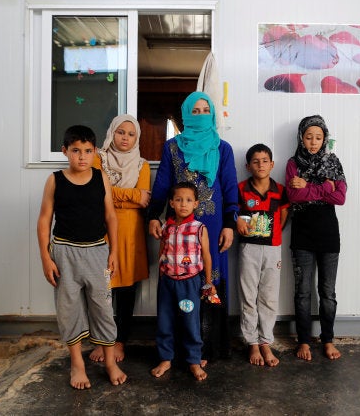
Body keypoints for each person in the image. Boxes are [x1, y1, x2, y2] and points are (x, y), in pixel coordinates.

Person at [148, 91, 239, 365]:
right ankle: (175, 350)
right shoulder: (172, 147)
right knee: (179, 281)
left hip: (211, 227)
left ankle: (207, 349)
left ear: (211, 113)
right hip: (178, 227)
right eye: (195, 111)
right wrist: (154, 215)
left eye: (204, 110)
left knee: (208, 281)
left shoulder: (222, 148)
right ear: (186, 115)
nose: (200, 115)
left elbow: (229, 186)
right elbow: (163, 183)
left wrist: (229, 225)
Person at [37, 125, 127, 389]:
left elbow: (111, 216)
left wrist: (115, 252)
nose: (82, 156)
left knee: (103, 308)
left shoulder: (101, 178)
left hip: (98, 251)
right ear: (65, 151)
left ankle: (110, 362)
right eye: (75, 150)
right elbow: (44, 220)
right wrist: (45, 257)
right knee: (69, 309)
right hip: (64, 253)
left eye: (88, 151)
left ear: (95, 152)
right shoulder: (55, 180)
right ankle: (77, 364)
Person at [89, 114, 150, 363]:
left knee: (126, 291)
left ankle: (119, 342)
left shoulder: (141, 165)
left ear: (137, 138)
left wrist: (113, 195)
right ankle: (101, 341)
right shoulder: (97, 158)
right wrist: (131, 196)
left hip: (131, 234)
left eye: (131, 134)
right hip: (101, 230)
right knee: (100, 289)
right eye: (120, 132)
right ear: (112, 133)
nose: (125, 138)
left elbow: (144, 199)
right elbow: (95, 193)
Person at [285, 115, 347, 361]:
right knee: (303, 292)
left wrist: (309, 187)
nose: (313, 142)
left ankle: (328, 339)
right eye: (309, 137)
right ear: (301, 137)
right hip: (302, 234)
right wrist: (325, 188)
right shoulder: (293, 163)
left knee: (328, 292)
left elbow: (340, 198)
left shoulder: (333, 161)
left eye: (318, 137)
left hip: (329, 235)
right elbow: (293, 196)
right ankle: (303, 341)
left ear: (325, 139)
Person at [151, 182, 213, 381]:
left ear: (195, 204)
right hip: (168, 282)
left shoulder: (199, 228)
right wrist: (161, 274)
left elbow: (206, 256)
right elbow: (162, 250)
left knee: (190, 322)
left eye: (188, 200)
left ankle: (194, 360)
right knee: (165, 321)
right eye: (178, 200)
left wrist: (208, 282)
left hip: (189, 283)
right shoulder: (166, 226)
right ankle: (165, 358)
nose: (183, 204)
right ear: (171, 203)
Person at [237, 144, 289, 366]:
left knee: (268, 297)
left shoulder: (280, 189)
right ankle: (252, 343)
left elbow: (284, 215)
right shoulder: (240, 189)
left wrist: (274, 233)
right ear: (248, 166)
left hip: (272, 248)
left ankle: (266, 342)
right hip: (248, 249)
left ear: (272, 164)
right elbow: (234, 214)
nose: (261, 165)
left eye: (265, 160)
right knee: (248, 297)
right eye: (256, 161)